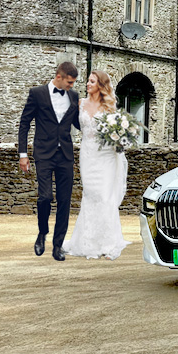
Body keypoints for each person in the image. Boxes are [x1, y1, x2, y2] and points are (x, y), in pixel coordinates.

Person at [18, 61, 81, 261]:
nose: (71, 86)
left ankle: (58, 246)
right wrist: (23, 154)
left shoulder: (74, 96)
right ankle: (42, 233)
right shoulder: (37, 93)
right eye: (69, 82)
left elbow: (79, 124)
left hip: (65, 156)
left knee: (64, 201)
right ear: (59, 77)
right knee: (45, 197)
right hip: (43, 154)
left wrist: (102, 125)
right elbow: (24, 123)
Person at [64, 71, 131, 260]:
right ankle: (87, 241)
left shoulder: (109, 106)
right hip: (88, 154)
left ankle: (108, 242)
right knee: (90, 194)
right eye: (87, 81)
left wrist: (121, 139)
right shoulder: (80, 104)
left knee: (104, 195)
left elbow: (117, 130)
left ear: (100, 85)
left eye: (92, 81)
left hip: (106, 155)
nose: (87, 83)